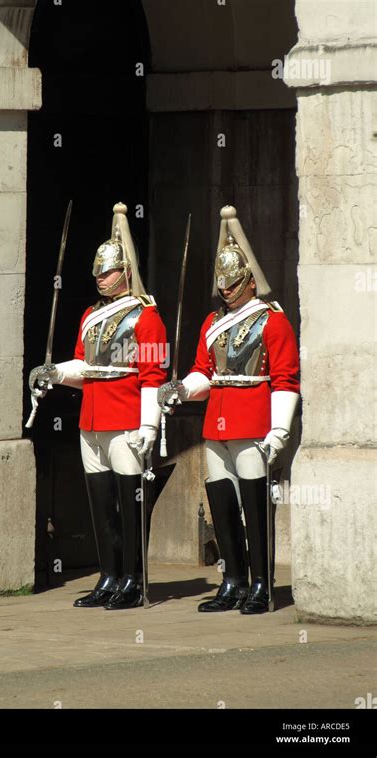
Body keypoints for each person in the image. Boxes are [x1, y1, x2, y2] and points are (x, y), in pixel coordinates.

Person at [158, 205, 300, 614]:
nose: (226, 290)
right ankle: (233, 579)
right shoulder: (210, 322)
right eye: (222, 283)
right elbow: (205, 373)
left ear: (249, 282)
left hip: (254, 420)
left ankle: (262, 584)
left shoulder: (272, 321)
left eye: (233, 283)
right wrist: (181, 389)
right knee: (221, 503)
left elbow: (286, 380)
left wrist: (280, 430)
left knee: (255, 508)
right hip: (216, 422)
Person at [31, 203, 167, 610]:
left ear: (126, 271)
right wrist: (53, 373)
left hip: (126, 419)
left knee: (129, 503)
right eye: (97, 272)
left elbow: (153, 375)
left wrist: (150, 426)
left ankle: (134, 579)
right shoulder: (91, 315)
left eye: (106, 271)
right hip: (92, 419)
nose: (99, 278)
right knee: (101, 505)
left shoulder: (147, 317)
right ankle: (109, 575)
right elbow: (84, 367)